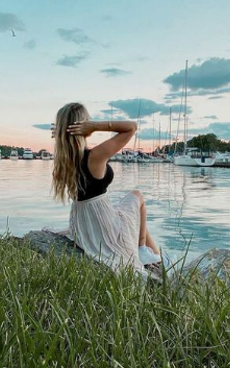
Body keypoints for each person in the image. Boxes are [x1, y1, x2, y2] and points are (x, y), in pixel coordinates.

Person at [50, 103, 162, 278]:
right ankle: (145, 251)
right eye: (86, 121)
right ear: (82, 125)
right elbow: (131, 127)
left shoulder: (65, 158)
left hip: (83, 221)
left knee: (129, 215)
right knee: (137, 196)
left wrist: (61, 132)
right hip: (101, 223)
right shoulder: (94, 156)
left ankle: (149, 253)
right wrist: (96, 126)